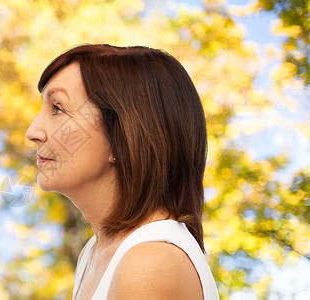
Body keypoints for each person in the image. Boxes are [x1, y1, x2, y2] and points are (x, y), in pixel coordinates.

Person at [26, 44, 220, 300]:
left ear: (122, 137)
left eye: (58, 108)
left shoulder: (150, 262)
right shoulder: (95, 253)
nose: (33, 131)